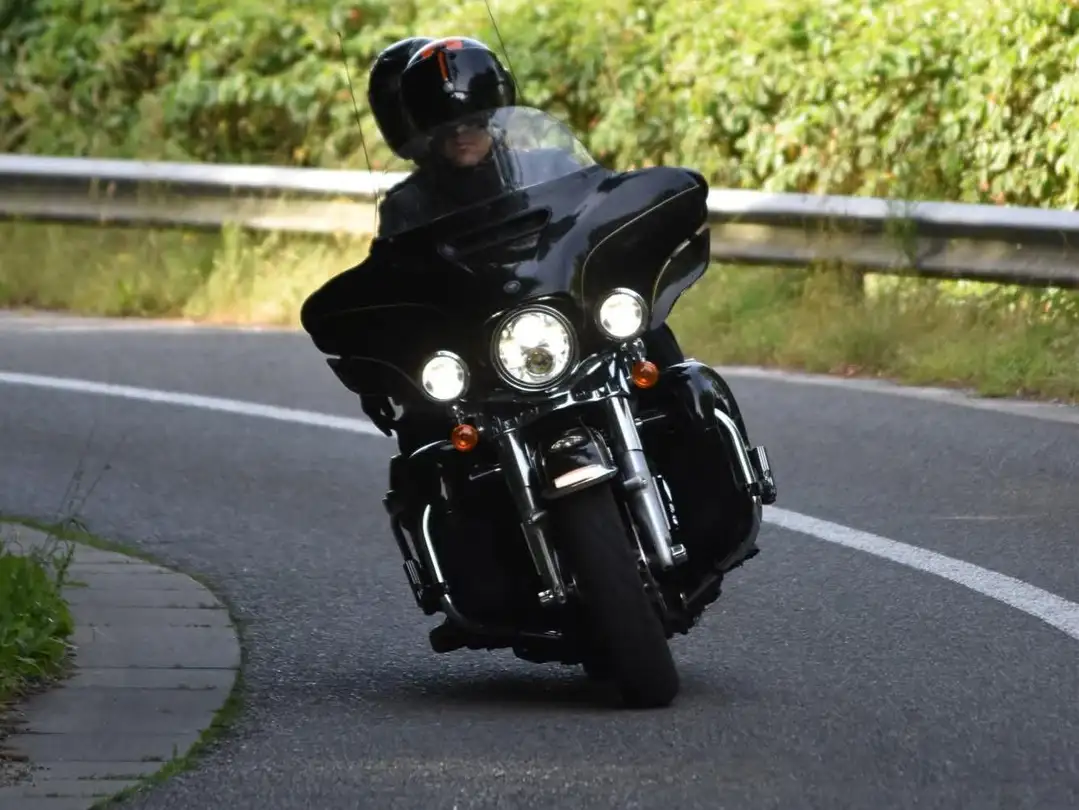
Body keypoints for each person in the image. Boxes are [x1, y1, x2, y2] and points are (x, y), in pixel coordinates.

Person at [363, 36, 689, 650]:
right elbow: (395, 287)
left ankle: (695, 455)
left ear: (496, 114)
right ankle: (469, 576)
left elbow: (599, 219)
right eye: (447, 126)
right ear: (424, 132)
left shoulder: (548, 165)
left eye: (473, 120)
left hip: (559, 324)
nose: (463, 135)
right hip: (481, 352)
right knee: (424, 432)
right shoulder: (407, 206)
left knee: (650, 338)